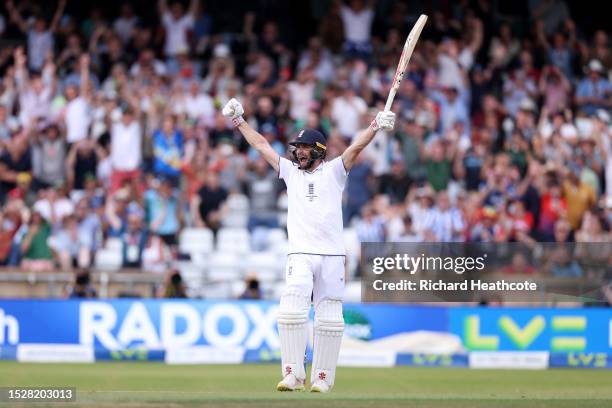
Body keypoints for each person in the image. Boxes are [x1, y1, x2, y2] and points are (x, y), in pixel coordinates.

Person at [222, 98, 395, 393]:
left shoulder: (335, 171)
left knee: (329, 317)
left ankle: (323, 378)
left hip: (331, 255)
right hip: (300, 252)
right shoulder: (290, 172)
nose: (299, 153)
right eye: (297, 149)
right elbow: (262, 145)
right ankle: (292, 374)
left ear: (319, 151)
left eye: (304, 148)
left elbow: (355, 148)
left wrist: (376, 126)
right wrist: (239, 121)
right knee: (291, 308)